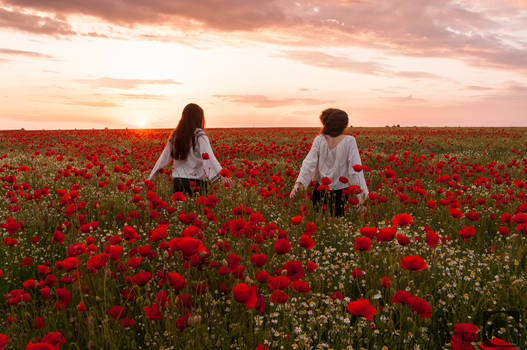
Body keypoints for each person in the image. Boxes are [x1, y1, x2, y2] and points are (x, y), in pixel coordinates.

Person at [289, 108, 368, 216]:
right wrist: (362, 197)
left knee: (321, 226)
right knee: (337, 227)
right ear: (343, 125)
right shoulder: (349, 141)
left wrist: (298, 183)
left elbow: (308, 163)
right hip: (341, 193)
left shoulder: (319, 139)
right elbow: (355, 170)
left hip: (320, 192)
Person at [145, 103, 231, 196]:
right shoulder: (199, 135)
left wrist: (150, 179)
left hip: (178, 183)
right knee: (196, 210)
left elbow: (163, 158)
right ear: (199, 118)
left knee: (182, 209)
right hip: (197, 183)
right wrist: (221, 173)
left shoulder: (176, 135)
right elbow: (209, 156)